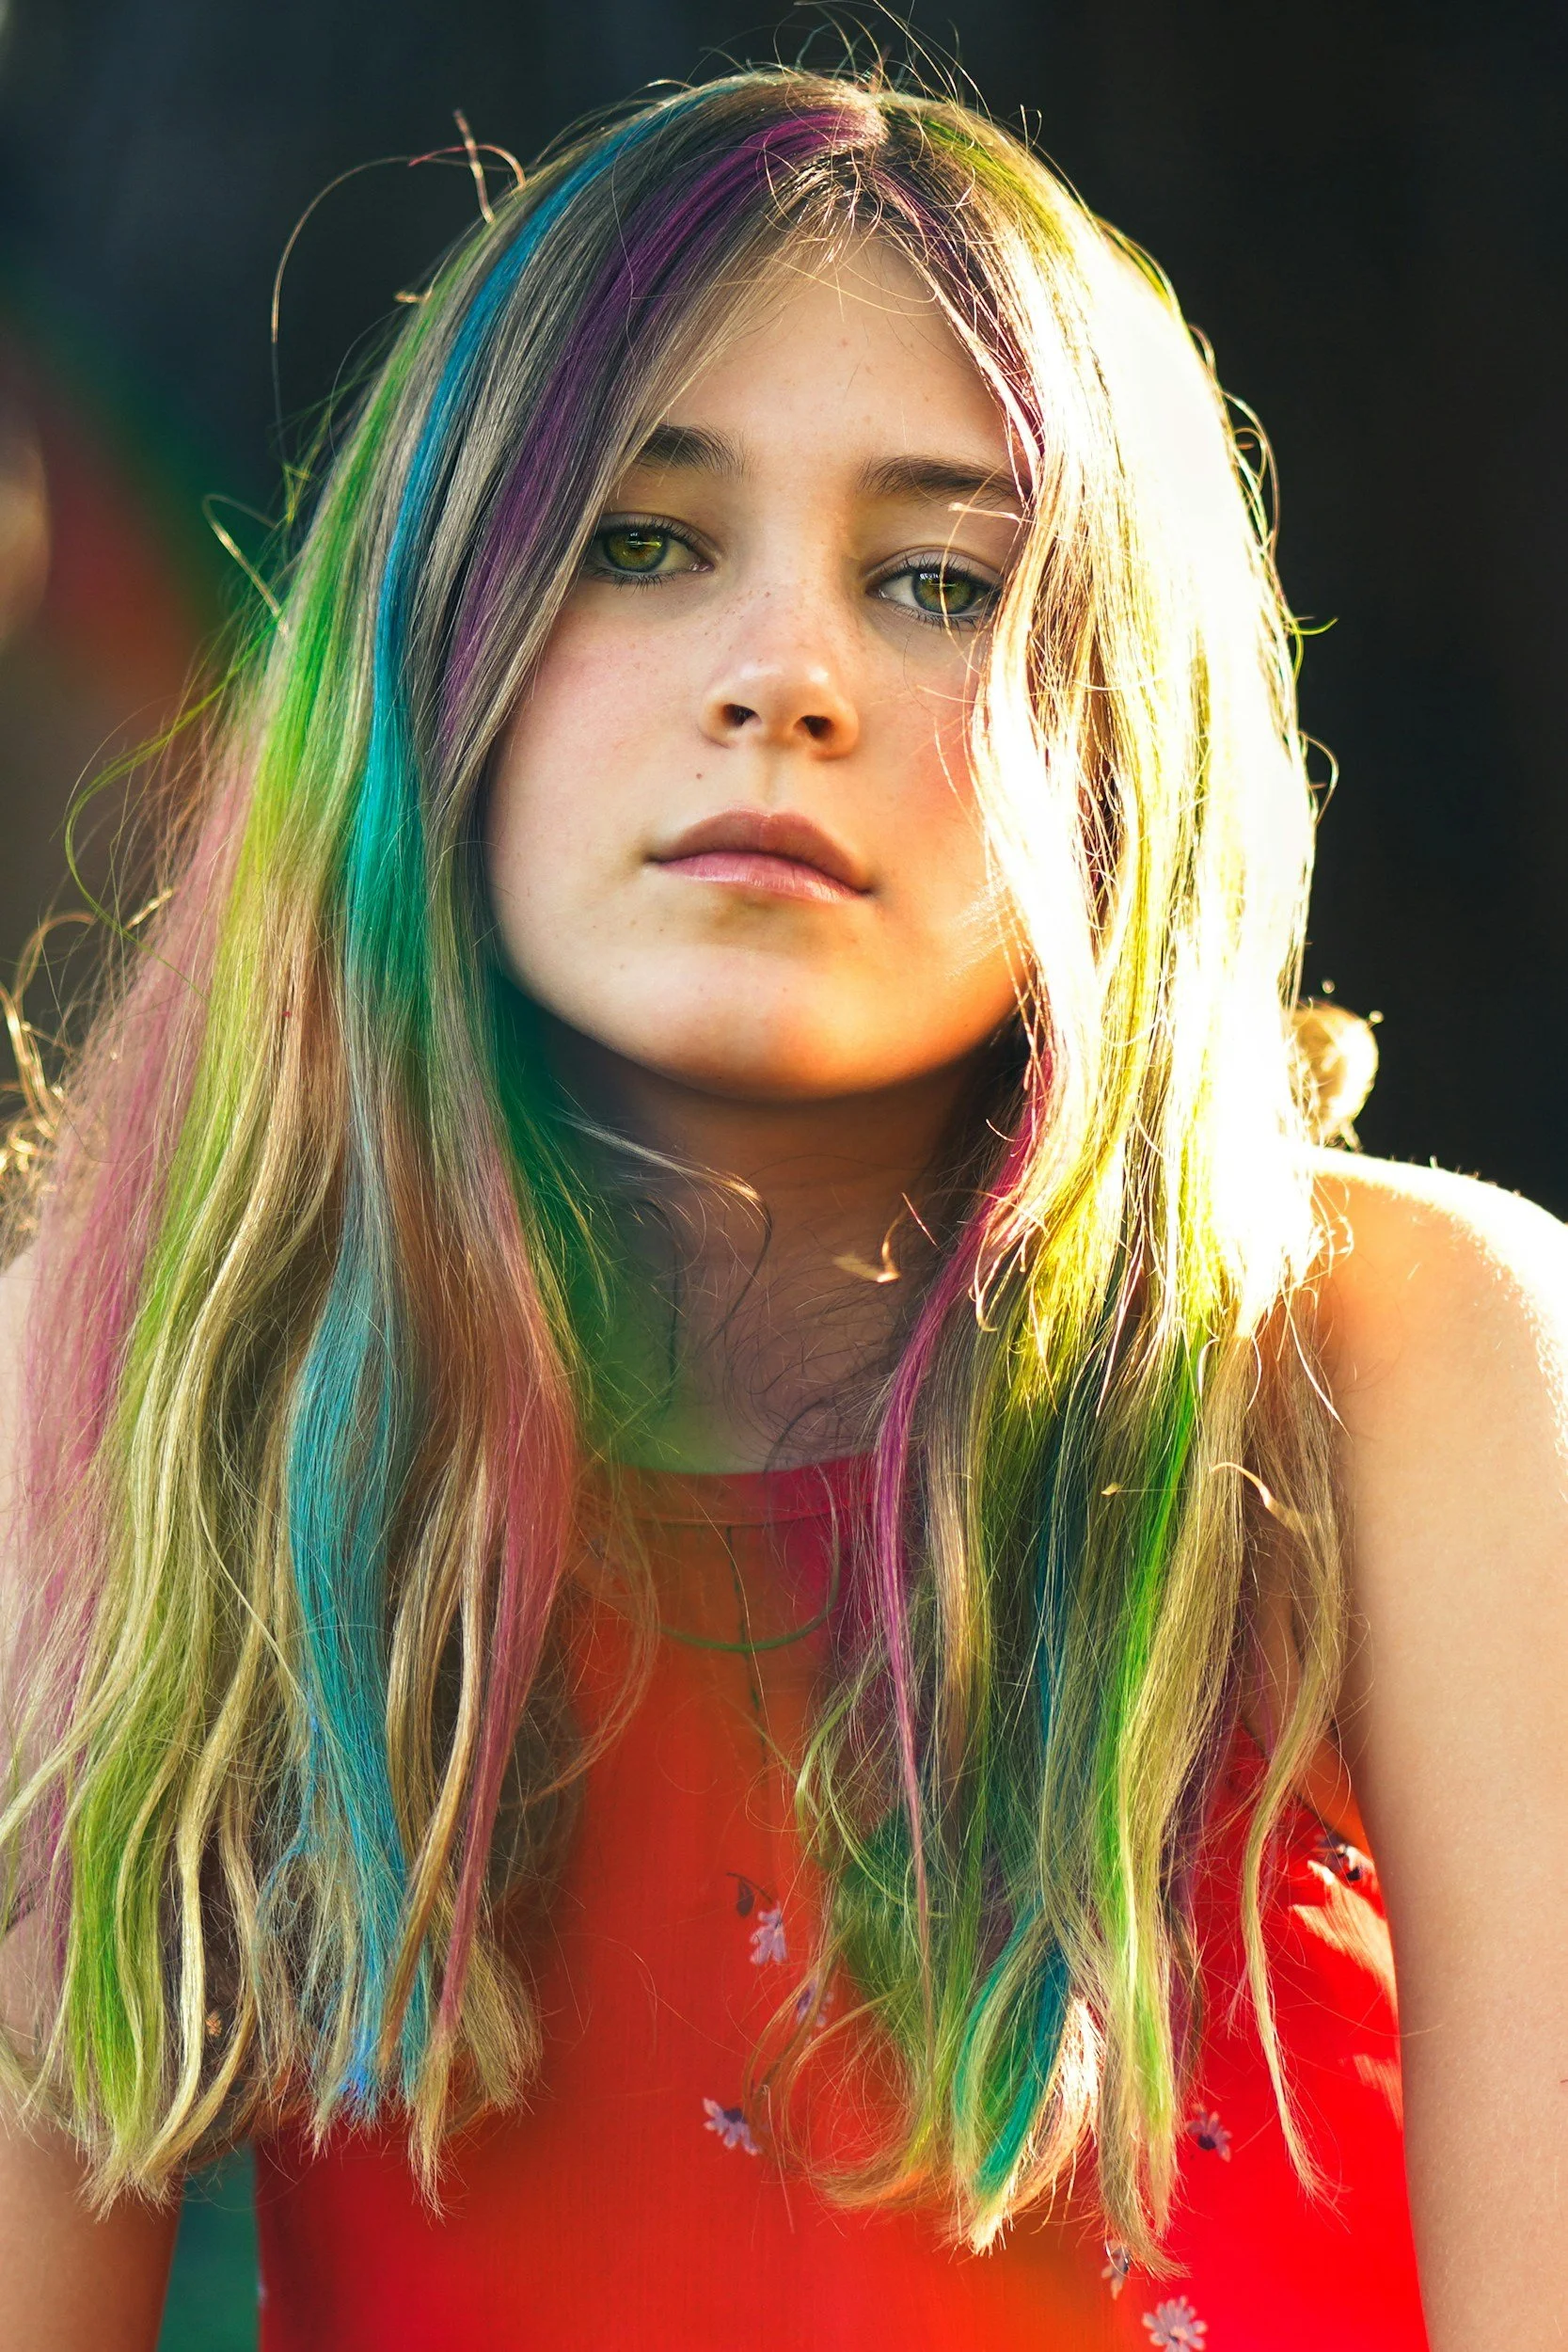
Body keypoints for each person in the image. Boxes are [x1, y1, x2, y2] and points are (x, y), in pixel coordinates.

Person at [1, 65, 1564, 2352]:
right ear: (424, 652)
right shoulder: (115, 1385)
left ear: (1127, 745)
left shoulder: (1392, 1363)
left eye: (936, 580)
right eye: (640, 539)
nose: (784, 678)